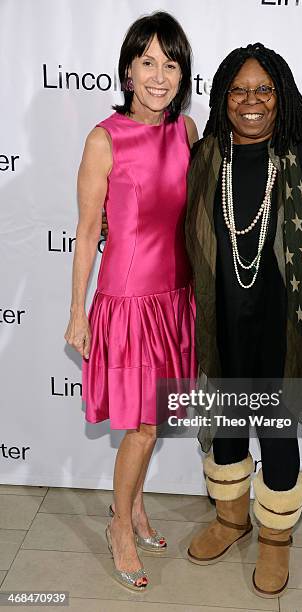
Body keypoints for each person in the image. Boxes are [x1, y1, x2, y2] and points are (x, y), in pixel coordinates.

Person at [185, 43, 302, 599]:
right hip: (220, 315)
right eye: (238, 90)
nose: (250, 101)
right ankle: (230, 518)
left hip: (284, 319)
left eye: (263, 90)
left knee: (277, 424)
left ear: (281, 96)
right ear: (223, 99)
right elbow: (178, 231)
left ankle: (274, 538)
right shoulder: (206, 155)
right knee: (225, 416)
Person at [64, 12, 198, 591]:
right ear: (127, 69)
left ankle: (136, 507)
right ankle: (120, 525)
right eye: (148, 62)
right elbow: (88, 231)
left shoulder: (187, 132)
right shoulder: (104, 139)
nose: (160, 76)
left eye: (171, 63)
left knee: (154, 417)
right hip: (129, 302)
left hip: (176, 297)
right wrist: (77, 311)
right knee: (141, 426)